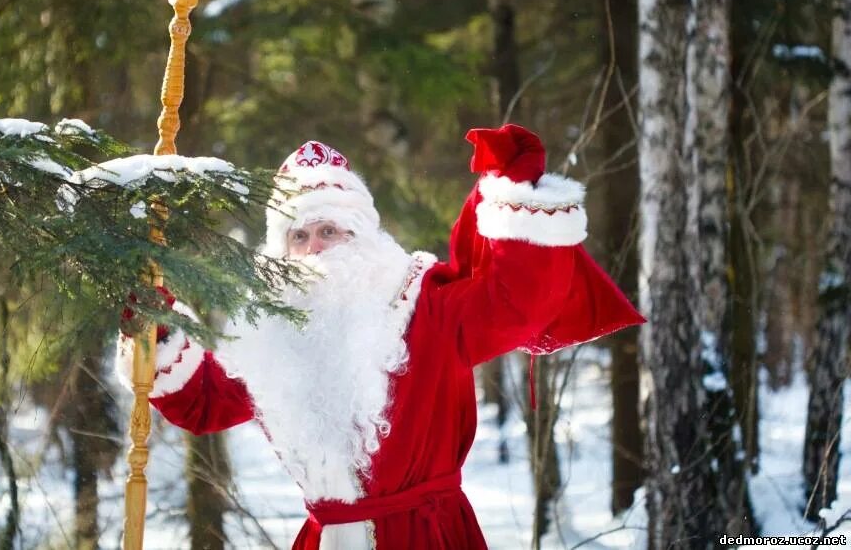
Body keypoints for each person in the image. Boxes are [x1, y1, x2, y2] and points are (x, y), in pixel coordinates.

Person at [117, 123, 645, 550]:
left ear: (362, 234)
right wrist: (157, 333)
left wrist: (517, 195)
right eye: (298, 235)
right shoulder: (271, 328)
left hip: (427, 536)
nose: (314, 247)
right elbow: (207, 403)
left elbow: (517, 303)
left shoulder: (424, 301)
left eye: (330, 230)